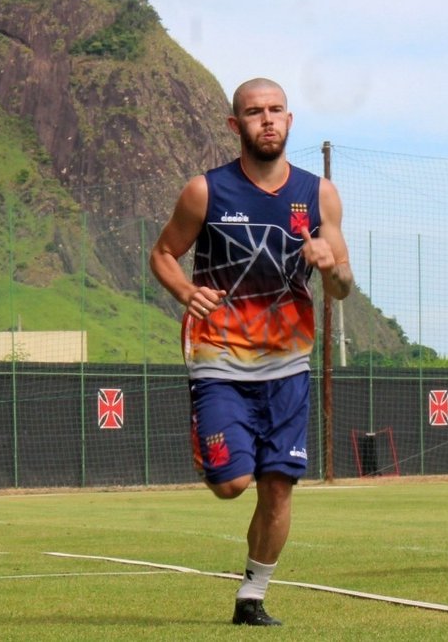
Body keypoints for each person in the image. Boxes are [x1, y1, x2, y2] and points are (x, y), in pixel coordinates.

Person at [149, 77, 353, 625]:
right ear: (235, 126)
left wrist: (331, 265)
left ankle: (252, 598)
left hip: (289, 365)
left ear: (289, 121)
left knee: (278, 488)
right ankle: (210, 448)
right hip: (218, 357)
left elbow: (343, 287)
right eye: (255, 112)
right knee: (231, 484)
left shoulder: (319, 195)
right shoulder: (205, 191)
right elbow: (164, 253)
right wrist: (187, 291)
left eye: (276, 110)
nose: (267, 120)